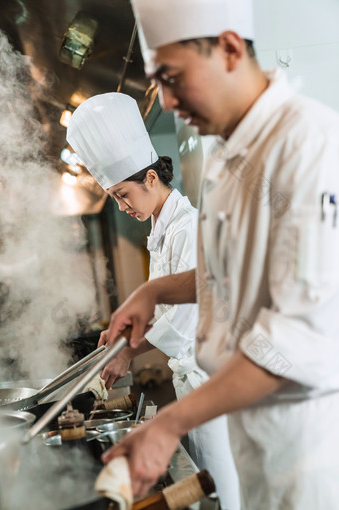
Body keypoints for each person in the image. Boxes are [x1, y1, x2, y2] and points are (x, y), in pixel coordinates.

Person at [97, 0, 339, 508]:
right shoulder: (228, 155)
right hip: (250, 430)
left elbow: (299, 338)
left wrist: (170, 424)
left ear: (229, 48)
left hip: (303, 448)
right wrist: (156, 288)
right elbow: (226, 274)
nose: (165, 98)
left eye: (172, 77)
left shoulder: (307, 145)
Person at [67, 92, 240, 510]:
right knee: (207, 492)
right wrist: (124, 334)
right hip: (190, 384)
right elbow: (160, 311)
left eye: (124, 194)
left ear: (150, 179)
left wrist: (128, 351)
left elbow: (183, 319)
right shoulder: (160, 232)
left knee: (228, 496)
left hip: (213, 385)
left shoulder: (187, 228)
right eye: (114, 199)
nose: (122, 206)